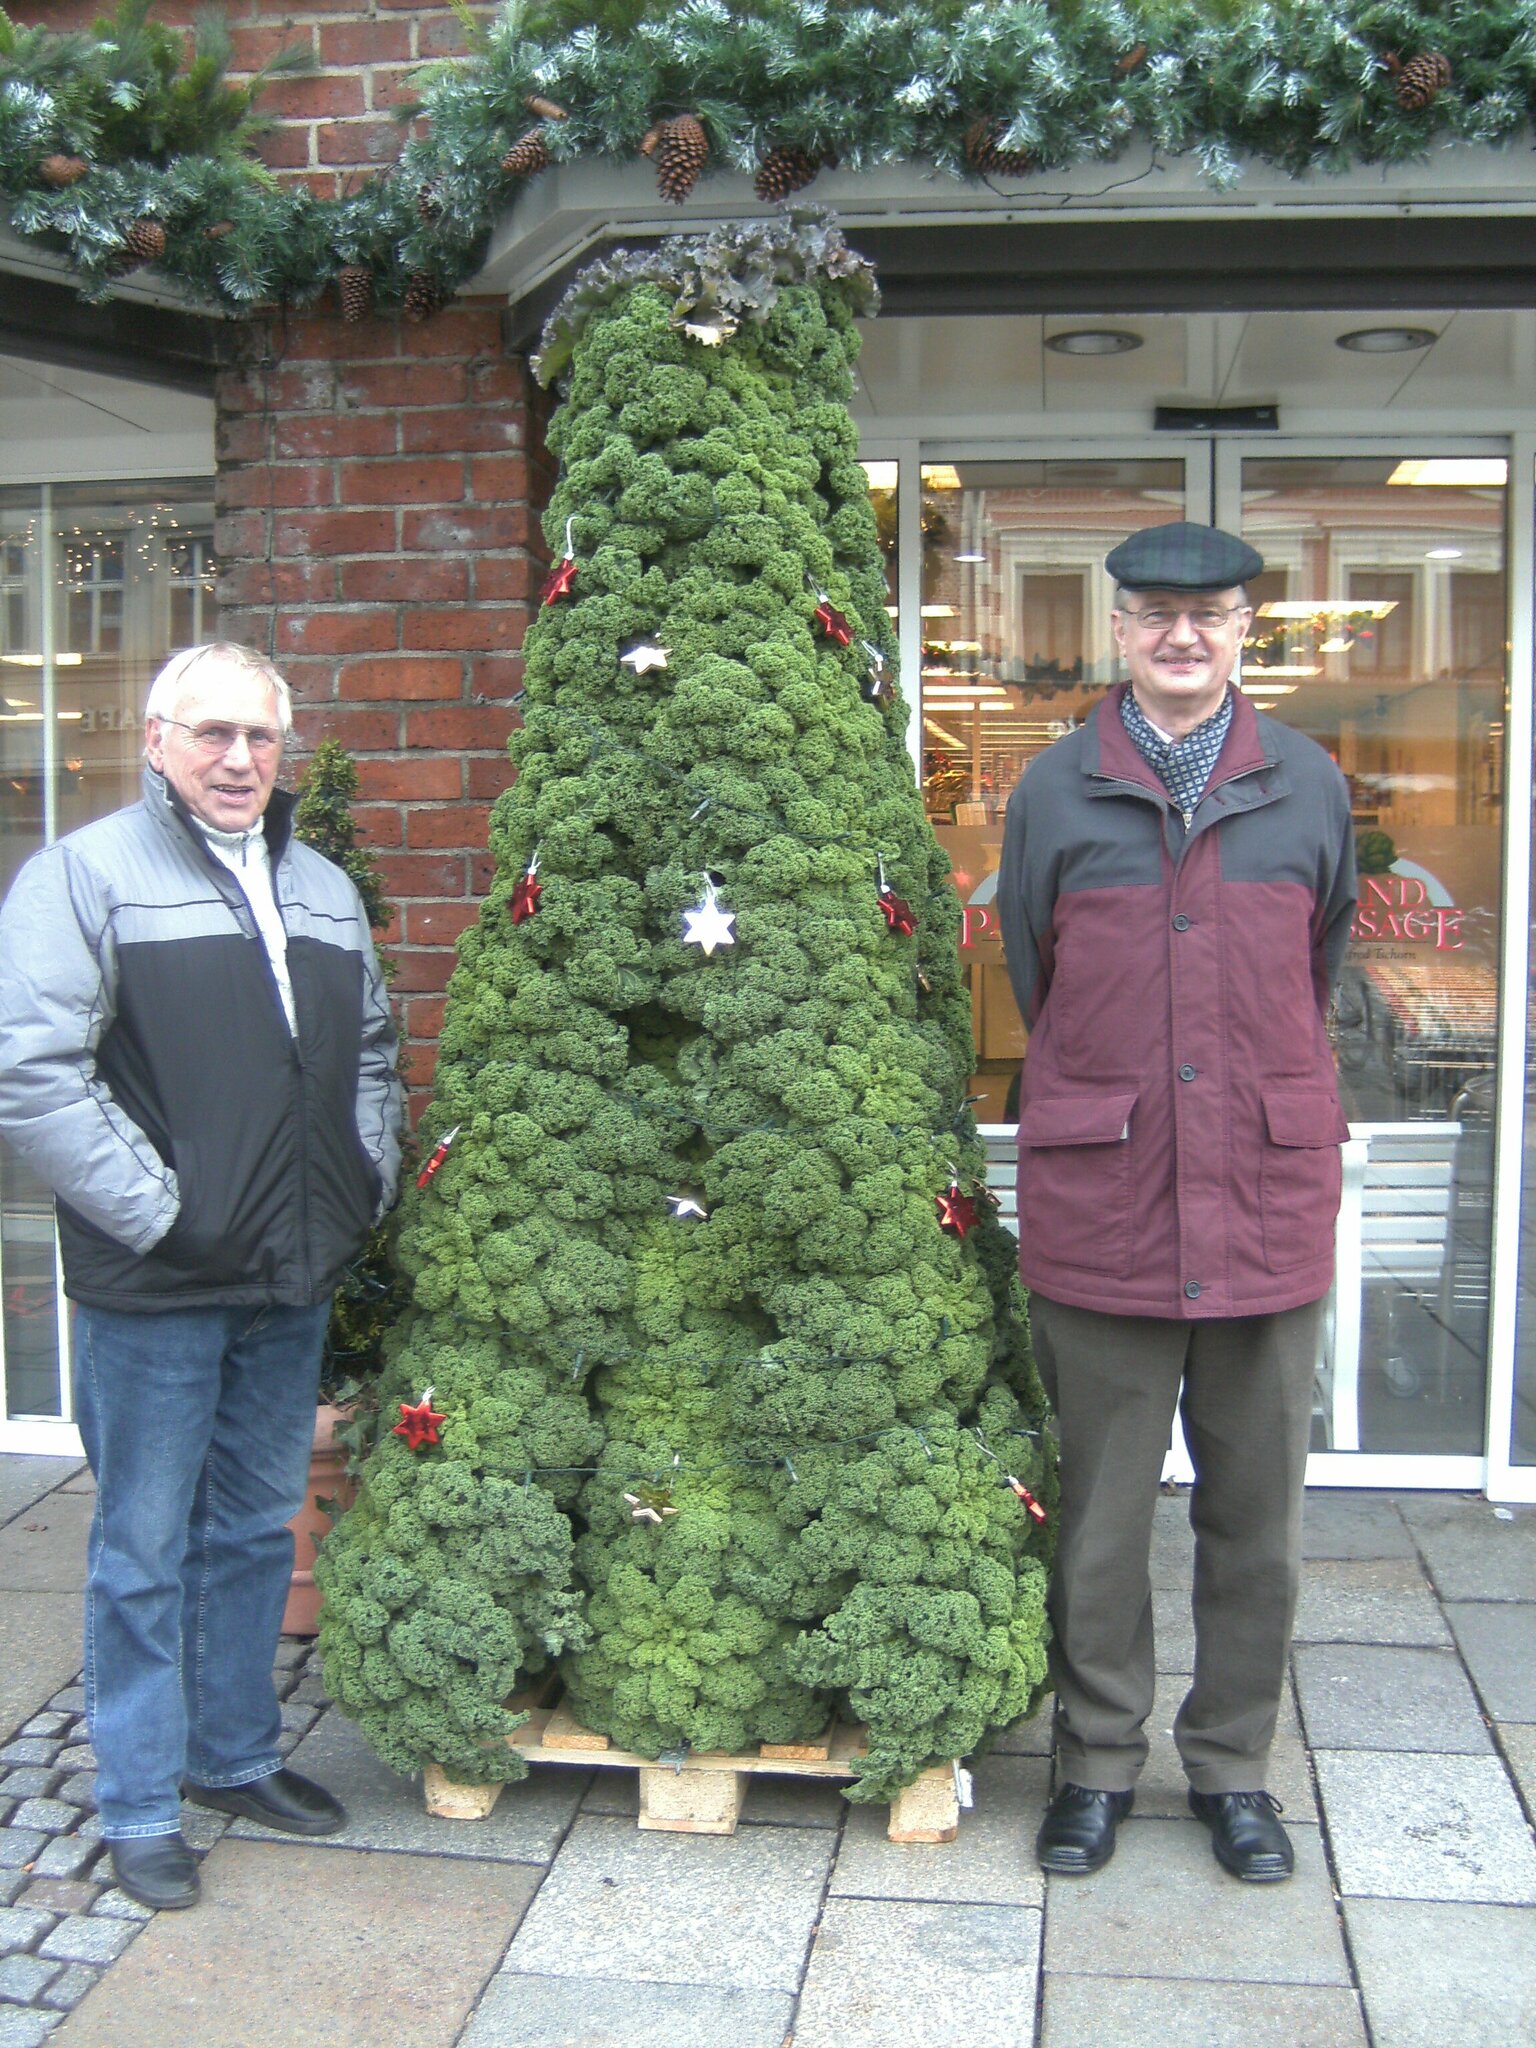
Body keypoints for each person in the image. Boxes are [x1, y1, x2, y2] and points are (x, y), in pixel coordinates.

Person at [0, 644, 402, 1911]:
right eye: (214, 734)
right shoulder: (84, 875)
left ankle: (231, 1755)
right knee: (139, 1544)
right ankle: (133, 1795)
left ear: (286, 751)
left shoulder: (324, 886)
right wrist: (165, 1215)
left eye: (262, 739)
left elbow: (375, 1049)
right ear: (159, 739)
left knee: (245, 1528)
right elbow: (33, 1070)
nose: (240, 760)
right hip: (158, 1282)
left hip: (291, 1268)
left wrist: (361, 1179)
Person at [996, 523, 1356, 1883]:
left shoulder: (1308, 786)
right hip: (1110, 1205)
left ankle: (1232, 1770)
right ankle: (1093, 1764)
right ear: (1122, 631)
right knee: (1098, 1513)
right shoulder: (1054, 793)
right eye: (1155, 614)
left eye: (1207, 615)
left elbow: (1309, 980)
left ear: (1247, 629)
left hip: (1262, 1204)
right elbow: (1041, 978)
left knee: (1253, 1519)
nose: (1182, 637)